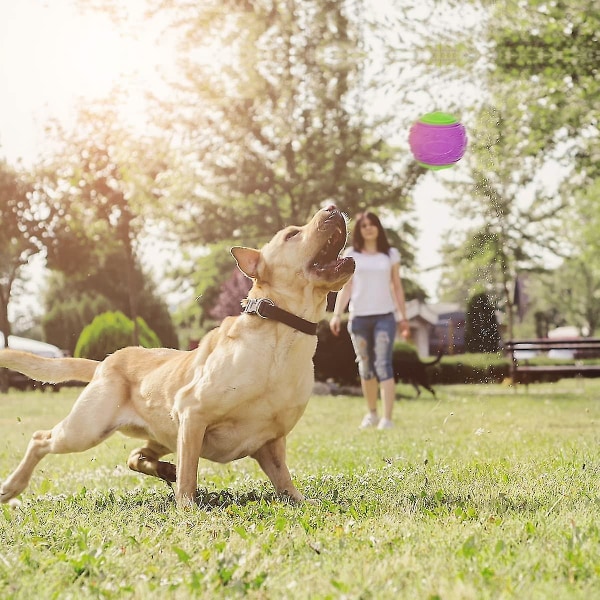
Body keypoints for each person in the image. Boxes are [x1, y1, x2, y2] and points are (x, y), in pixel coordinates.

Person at [329, 210, 410, 430]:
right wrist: (337, 314)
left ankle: (387, 418)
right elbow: (347, 287)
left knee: (383, 365)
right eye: (363, 225)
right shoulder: (352, 253)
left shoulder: (390, 255)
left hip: (385, 316)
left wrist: (403, 317)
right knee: (365, 367)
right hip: (359, 318)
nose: (368, 228)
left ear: (378, 228)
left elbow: (397, 286)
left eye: (372, 224)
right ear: (360, 231)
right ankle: (372, 413)